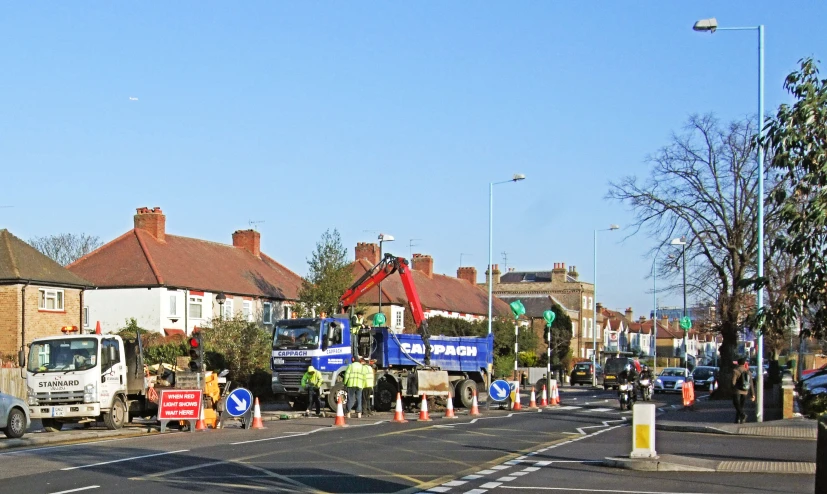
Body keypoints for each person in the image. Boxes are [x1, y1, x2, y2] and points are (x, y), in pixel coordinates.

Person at [732, 357, 755, 424]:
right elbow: (751, 384)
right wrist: (752, 394)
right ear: (744, 363)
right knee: (741, 406)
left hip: (737, 391)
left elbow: (733, 382)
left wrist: (733, 388)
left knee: (736, 404)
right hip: (745, 391)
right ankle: (738, 420)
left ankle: (742, 415)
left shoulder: (735, 371)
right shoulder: (748, 371)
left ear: (738, 363)